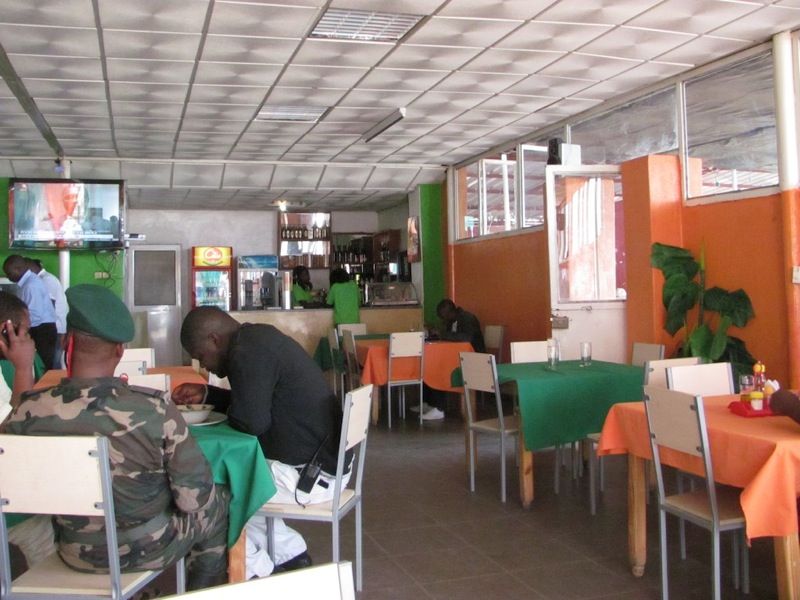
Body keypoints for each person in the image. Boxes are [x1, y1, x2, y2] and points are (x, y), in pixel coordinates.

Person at [4, 284, 230, 591]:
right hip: (152, 548)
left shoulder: (30, 410)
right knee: (219, 503)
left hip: (74, 551)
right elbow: (194, 499)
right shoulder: (154, 409)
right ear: (120, 350)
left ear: (67, 343)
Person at [174, 307, 347, 579]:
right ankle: (290, 554)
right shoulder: (257, 339)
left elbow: (251, 422)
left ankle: (257, 574)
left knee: (211, 491)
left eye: (201, 356)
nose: (203, 366)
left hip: (308, 478)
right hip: (323, 466)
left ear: (214, 339)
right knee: (239, 479)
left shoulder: (246, 353)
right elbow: (257, 404)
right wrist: (208, 394)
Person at [417, 299, 486, 421]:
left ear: (449, 313)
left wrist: (442, 334)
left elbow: (467, 338)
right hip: (456, 356)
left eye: (443, 317)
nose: (443, 320)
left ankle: (439, 407)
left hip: (473, 358)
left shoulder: (467, 318)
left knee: (439, 368)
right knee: (428, 364)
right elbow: (450, 337)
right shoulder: (452, 321)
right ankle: (429, 403)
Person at [2, 254, 58, 370]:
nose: (8, 277)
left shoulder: (31, 285)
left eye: (9, 273)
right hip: (41, 328)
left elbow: (35, 315)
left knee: (42, 366)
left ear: (18, 269)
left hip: (42, 330)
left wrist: (18, 329)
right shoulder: (30, 282)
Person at [26, 258, 68, 368]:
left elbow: (50, 306)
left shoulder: (46, 280)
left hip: (55, 328)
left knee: (53, 363)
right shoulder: (42, 279)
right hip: (53, 327)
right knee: (51, 362)